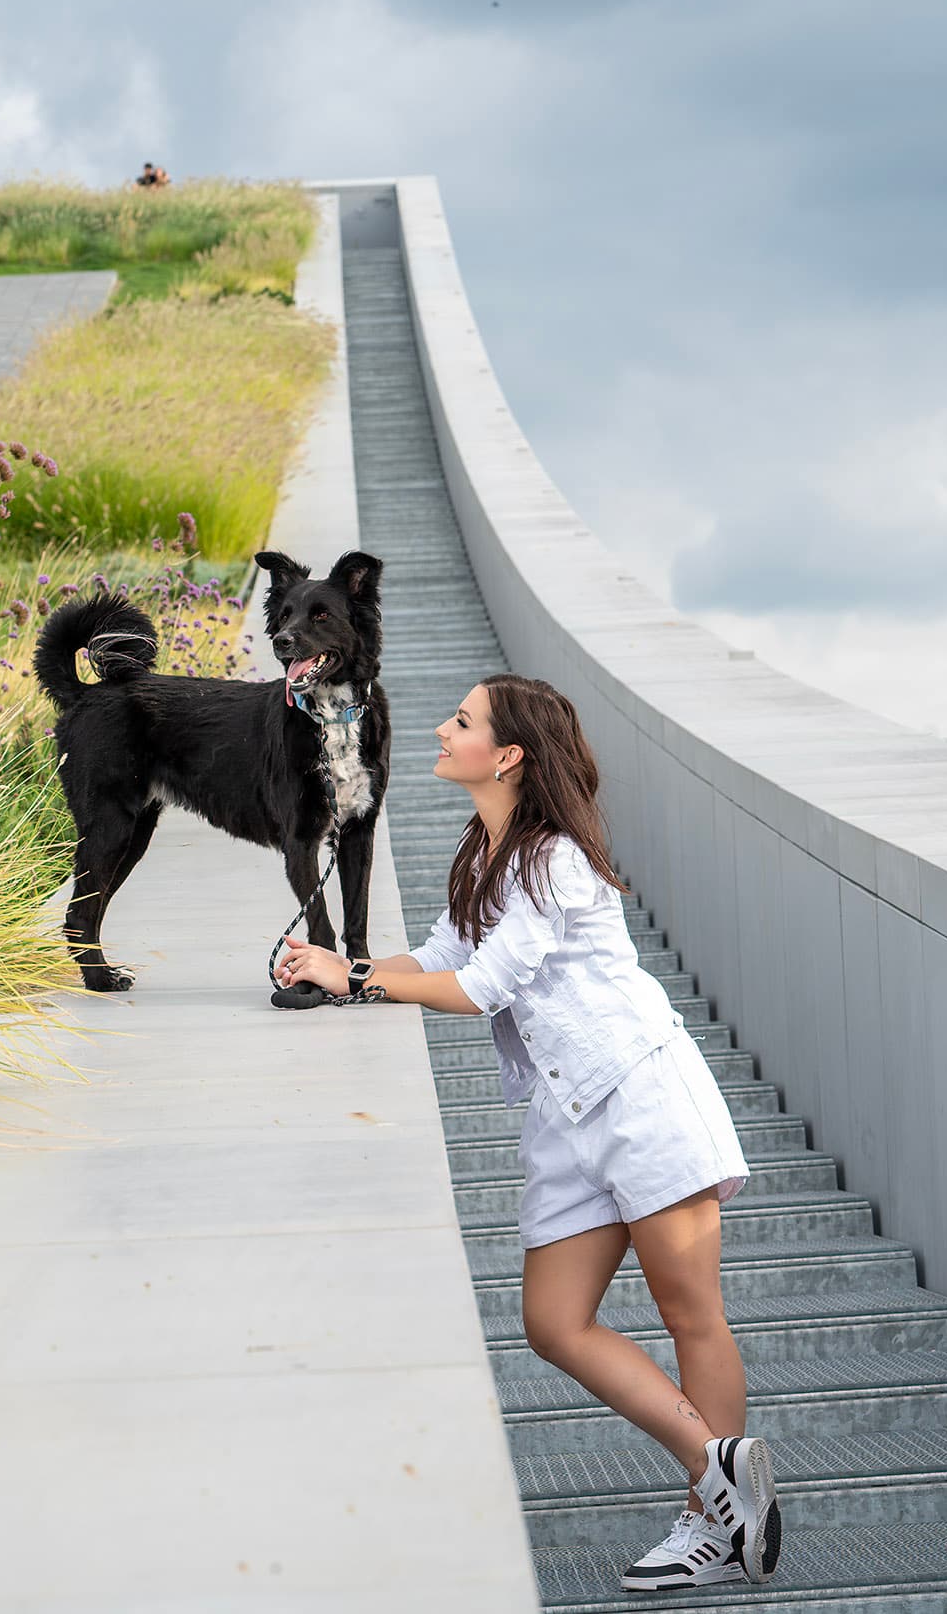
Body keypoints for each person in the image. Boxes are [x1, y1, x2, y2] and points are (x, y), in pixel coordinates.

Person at [275, 671, 781, 1592]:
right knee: (551, 1322)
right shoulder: (482, 850)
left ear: (506, 754)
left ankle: (708, 1523)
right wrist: (334, 963)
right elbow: (438, 957)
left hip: (640, 1098)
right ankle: (719, 1466)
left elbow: (478, 989)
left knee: (690, 1314)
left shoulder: (551, 860)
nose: (439, 727)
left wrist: (356, 984)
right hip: (563, 1117)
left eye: (460, 721)